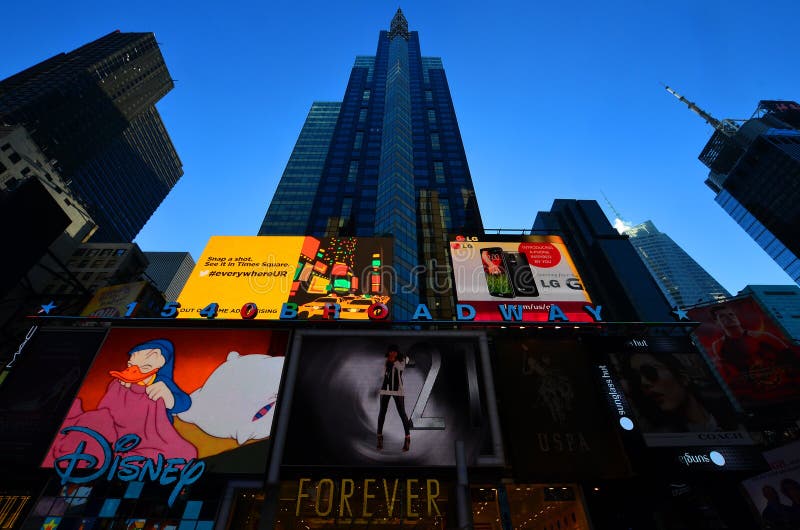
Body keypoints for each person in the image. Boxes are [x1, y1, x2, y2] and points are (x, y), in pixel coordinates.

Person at [621, 353, 737, 433]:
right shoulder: (662, 435)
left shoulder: (731, 411)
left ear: (683, 377)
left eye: (650, 372)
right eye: (637, 378)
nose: (644, 383)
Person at [708, 305, 799, 395]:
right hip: (753, 394)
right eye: (722, 316)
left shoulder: (763, 336)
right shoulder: (717, 345)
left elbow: (791, 357)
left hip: (785, 387)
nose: (729, 318)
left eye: (731, 314)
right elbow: (727, 372)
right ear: (716, 322)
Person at [110, 338, 191, 420]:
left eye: (145, 367)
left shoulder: (161, 382)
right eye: (130, 365)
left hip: (157, 423)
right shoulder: (124, 381)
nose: (134, 371)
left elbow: (185, 402)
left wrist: (170, 399)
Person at [377, 344, 412, 451]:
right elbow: (381, 375)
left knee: (402, 413)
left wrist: (393, 361)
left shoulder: (403, 359)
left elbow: (401, 368)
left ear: (397, 352)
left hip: (398, 390)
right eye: (391, 351)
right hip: (385, 389)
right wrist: (387, 363)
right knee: (382, 413)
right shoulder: (385, 361)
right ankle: (379, 438)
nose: (392, 353)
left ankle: (407, 439)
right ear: (388, 352)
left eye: (394, 351)